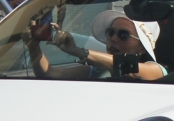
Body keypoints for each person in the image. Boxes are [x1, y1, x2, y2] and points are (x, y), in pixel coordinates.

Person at [28, 8, 166, 81]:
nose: (113, 39)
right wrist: (32, 45)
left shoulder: (156, 69)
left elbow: (126, 68)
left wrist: (77, 51)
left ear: (142, 47)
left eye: (123, 35)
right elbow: (49, 74)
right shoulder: (97, 71)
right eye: (110, 32)